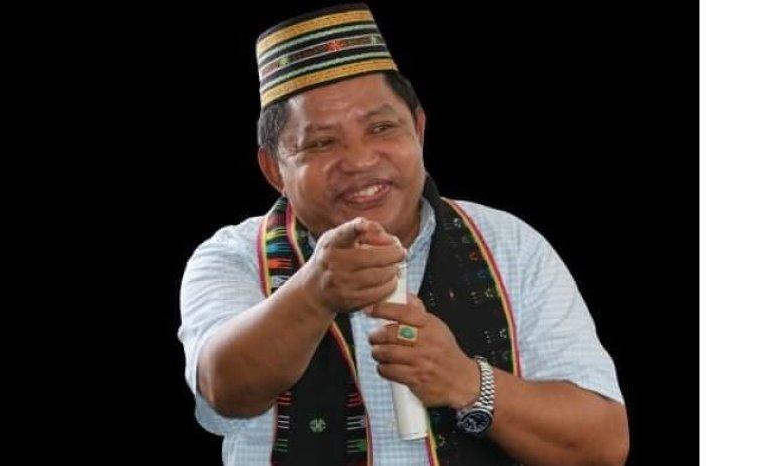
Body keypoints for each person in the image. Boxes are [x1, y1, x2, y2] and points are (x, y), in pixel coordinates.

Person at [178, 3, 628, 465]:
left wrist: (468, 383)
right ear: (274, 169)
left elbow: (603, 445)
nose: (360, 160)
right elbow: (224, 388)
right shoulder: (233, 257)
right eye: (322, 142)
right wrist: (315, 293)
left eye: (381, 128)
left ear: (418, 129)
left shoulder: (509, 245)